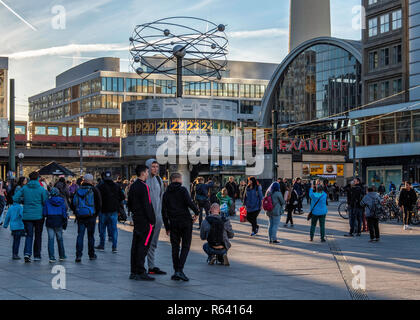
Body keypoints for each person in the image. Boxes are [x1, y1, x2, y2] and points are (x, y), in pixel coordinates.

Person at [162, 173, 200, 282]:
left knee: (175, 247)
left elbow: (163, 212)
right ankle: (180, 270)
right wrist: (197, 212)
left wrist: (167, 226)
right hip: (185, 222)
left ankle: (176, 271)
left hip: (173, 223)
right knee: (185, 246)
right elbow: (189, 203)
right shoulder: (182, 190)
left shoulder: (166, 194)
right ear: (177, 179)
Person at [127, 165, 156, 281]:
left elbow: (129, 203)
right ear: (143, 173)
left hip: (137, 219)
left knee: (135, 246)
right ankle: (141, 271)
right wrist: (152, 220)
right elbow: (147, 204)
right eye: (147, 172)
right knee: (143, 246)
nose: (148, 174)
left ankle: (133, 271)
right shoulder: (144, 187)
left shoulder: (133, 186)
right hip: (145, 221)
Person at [13, 171, 49, 263]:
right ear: (37, 178)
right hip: (39, 215)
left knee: (29, 235)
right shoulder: (41, 189)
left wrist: (24, 200)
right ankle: (37, 255)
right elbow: (45, 201)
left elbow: (15, 198)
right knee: (38, 235)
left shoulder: (24, 188)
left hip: (27, 215)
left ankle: (27, 254)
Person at [72, 174, 102, 263]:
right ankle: (91, 254)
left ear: (84, 180)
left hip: (80, 216)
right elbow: (99, 204)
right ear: (91, 181)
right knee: (90, 236)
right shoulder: (94, 190)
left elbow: (73, 203)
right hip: (91, 216)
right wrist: (95, 214)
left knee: (80, 235)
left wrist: (76, 213)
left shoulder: (78, 190)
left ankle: (78, 255)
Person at [145, 159, 166, 275]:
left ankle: (151, 266)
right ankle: (140, 267)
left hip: (157, 217)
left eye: (157, 167)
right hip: (147, 218)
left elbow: (161, 198)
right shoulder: (144, 181)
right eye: (153, 167)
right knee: (145, 242)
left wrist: (161, 215)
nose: (155, 169)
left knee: (153, 242)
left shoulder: (159, 180)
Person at [96, 171, 124, 253]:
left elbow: (96, 197)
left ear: (103, 177)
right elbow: (122, 197)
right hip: (113, 210)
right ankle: (114, 247)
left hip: (103, 210)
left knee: (102, 229)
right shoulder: (116, 185)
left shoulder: (100, 186)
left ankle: (102, 245)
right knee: (114, 229)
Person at [43, 187, 68, 263]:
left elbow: (44, 213)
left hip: (50, 221)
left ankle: (51, 257)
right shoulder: (62, 201)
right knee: (60, 239)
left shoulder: (47, 201)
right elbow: (64, 213)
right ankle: (62, 255)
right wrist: (64, 220)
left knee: (50, 239)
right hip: (59, 221)